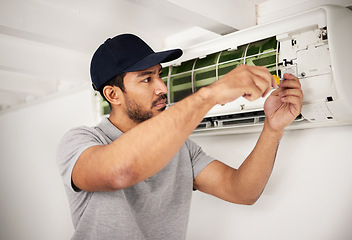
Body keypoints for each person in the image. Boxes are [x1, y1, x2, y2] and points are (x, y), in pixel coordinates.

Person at [57, 33, 303, 240]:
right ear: (113, 95)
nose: (162, 87)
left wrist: (273, 128)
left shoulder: (181, 149)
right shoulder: (81, 141)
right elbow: (120, 171)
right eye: (147, 79)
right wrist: (211, 94)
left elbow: (242, 191)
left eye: (159, 75)